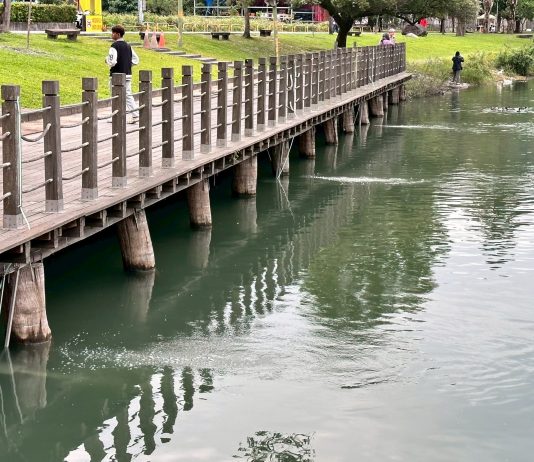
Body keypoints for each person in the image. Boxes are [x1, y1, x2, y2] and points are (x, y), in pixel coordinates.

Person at [105, 24, 140, 124]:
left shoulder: (114, 46)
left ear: (118, 34)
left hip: (116, 75)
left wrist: (106, 61)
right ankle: (135, 114)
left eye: (113, 33)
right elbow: (136, 60)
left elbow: (112, 61)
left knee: (115, 95)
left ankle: (115, 116)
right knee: (128, 95)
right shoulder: (128, 46)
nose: (112, 35)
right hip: (127, 74)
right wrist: (127, 65)